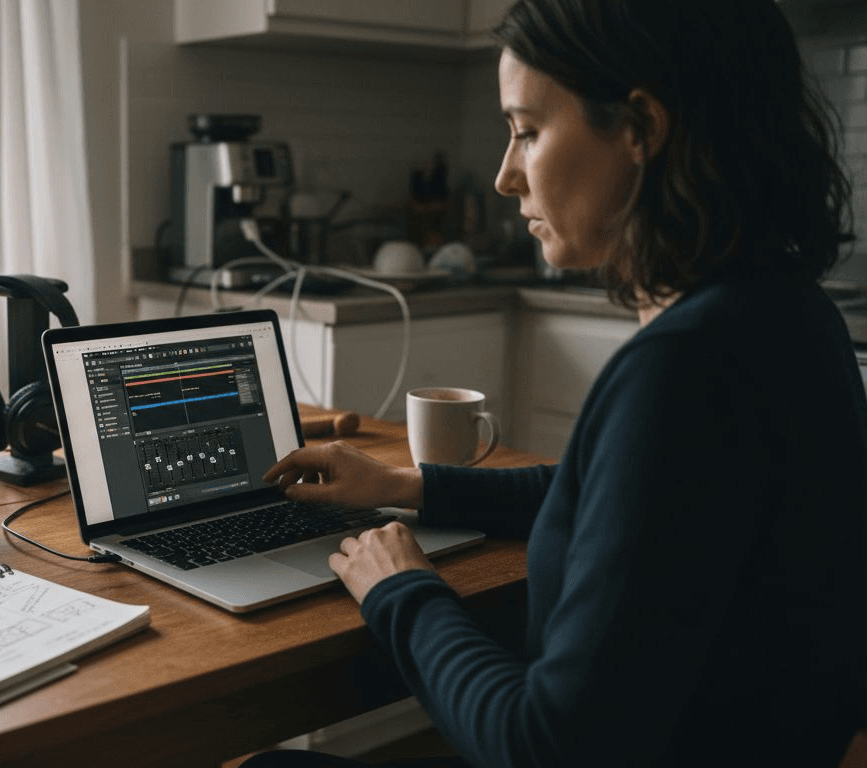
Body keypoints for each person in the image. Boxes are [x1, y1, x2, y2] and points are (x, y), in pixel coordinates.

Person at [244, 0, 867, 766]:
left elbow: (545, 747)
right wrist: (409, 486)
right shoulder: (790, 314)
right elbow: (625, 505)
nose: (507, 176)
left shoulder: (684, 367)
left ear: (640, 129)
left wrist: (401, 589)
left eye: (528, 131)